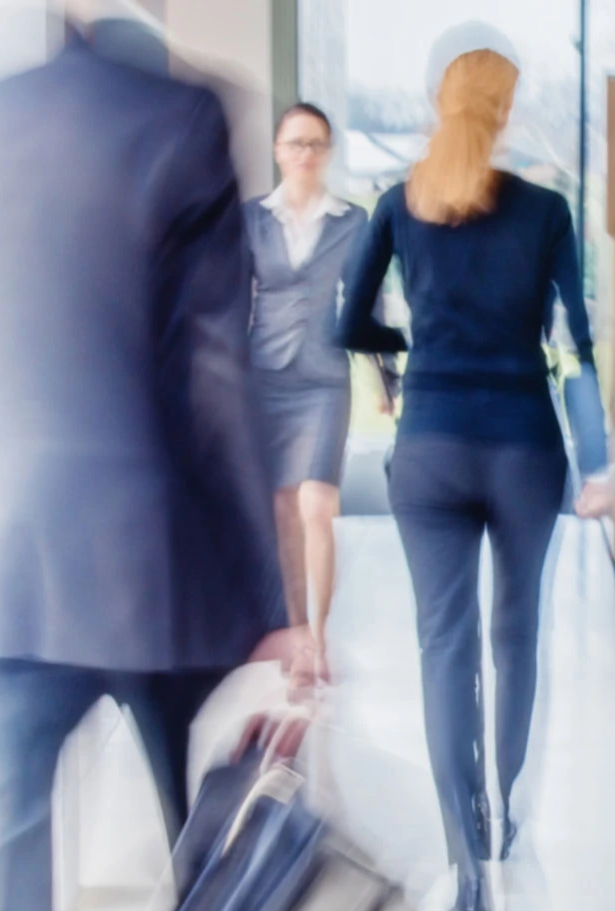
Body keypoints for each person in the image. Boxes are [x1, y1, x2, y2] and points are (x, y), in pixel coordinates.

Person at [0, 23, 292, 911]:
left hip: (3, 576)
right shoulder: (183, 119)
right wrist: (269, 597)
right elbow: (213, 377)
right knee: (205, 817)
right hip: (150, 573)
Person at [337, 21, 614, 911]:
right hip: (523, 444)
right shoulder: (546, 212)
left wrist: (416, 341)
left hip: (431, 445)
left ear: (437, 106)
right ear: (506, 113)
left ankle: (465, 862)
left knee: (443, 646)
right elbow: (574, 344)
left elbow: (349, 327)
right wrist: (600, 456)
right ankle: (505, 812)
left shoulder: (394, 204)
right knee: (515, 634)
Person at [247, 103, 384, 677]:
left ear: (328, 153)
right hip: (265, 376)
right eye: (295, 143)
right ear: (278, 150)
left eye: (316, 144)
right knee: (282, 512)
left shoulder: (353, 222)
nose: (305, 154)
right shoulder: (250, 219)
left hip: (325, 378)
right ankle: (295, 631)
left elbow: (366, 303)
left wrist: (386, 378)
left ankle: (319, 638)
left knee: (317, 506)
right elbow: (230, 299)